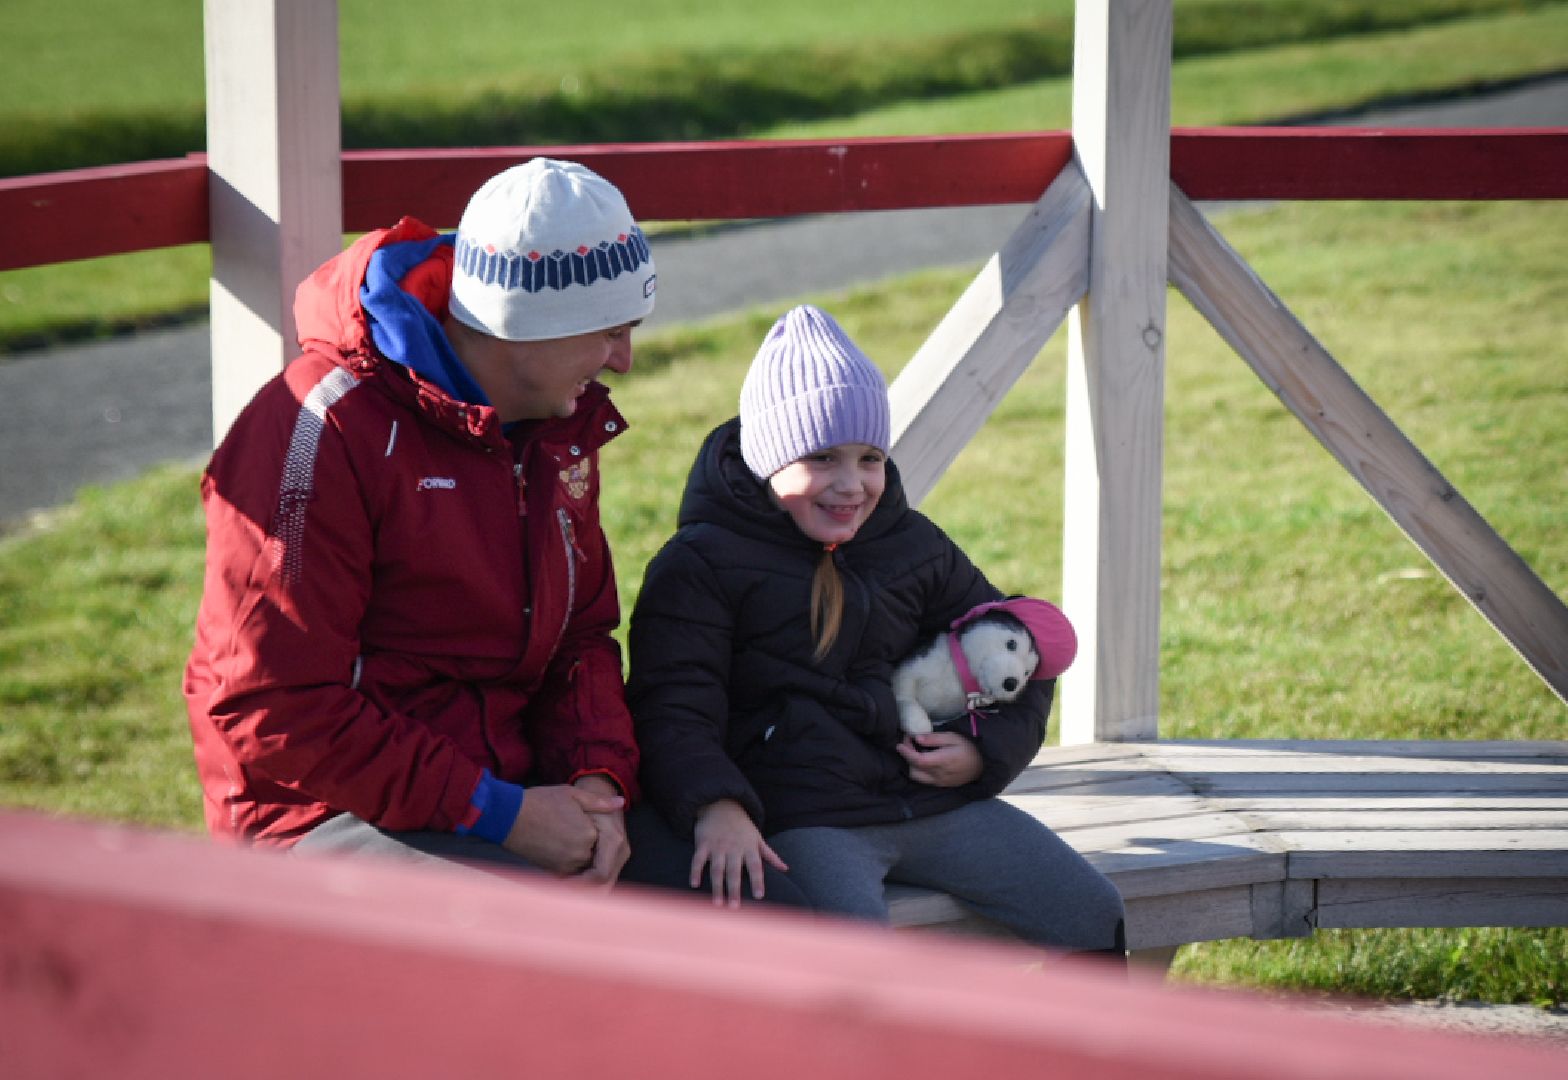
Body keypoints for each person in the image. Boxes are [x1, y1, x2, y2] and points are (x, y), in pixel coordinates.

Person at [183, 157, 659, 886]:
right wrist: (500, 813)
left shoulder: (554, 421)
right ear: (520, 328)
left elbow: (580, 638)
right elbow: (273, 704)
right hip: (322, 813)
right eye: (609, 332)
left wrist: (597, 784)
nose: (622, 362)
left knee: (768, 907)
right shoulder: (322, 425)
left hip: (516, 793)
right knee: (553, 939)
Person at [625, 303, 1126, 953]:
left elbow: (1018, 649)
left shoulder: (910, 543)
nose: (851, 484)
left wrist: (984, 753)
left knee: (1093, 913)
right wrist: (715, 805)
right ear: (768, 458)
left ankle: (1069, 1029)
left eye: (869, 458)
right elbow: (672, 704)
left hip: (934, 805)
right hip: (806, 820)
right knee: (860, 966)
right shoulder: (701, 564)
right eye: (821, 457)